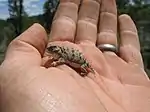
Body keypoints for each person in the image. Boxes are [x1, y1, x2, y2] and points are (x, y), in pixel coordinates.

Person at [0, 0, 150, 112]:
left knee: (85, 68)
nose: (51, 50)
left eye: (53, 49)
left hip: (80, 62)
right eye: (52, 49)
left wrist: (55, 63)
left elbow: (61, 60)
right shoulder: (59, 53)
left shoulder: (61, 56)